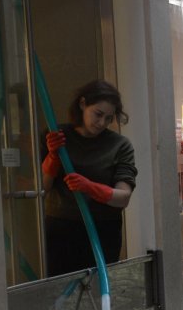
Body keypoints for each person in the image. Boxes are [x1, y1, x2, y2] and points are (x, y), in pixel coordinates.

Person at [41, 79, 137, 276]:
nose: (102, 123)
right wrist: (52, 157)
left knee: (97, 289)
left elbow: (123, 197)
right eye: (98, 114)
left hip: (102, 231)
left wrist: (89, 187)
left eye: (109, 118)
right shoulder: (57, 136)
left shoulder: (119, 145)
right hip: (60, 230)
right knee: (60, 292)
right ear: (83, 104)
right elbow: (42, 188)